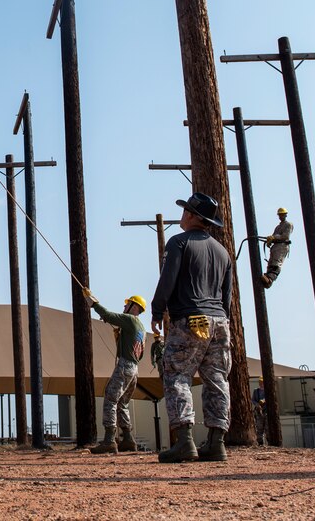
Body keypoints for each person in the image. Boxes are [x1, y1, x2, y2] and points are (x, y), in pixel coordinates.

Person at [151, 193, 233, 464]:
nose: (183, 214)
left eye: (187, 210)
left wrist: (156, 308)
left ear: (195, 217)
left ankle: (185, 442)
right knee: (217, 379)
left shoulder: (179, 243)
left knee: (177, 375)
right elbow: (227, 295)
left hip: (190, 318)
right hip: (220, 321)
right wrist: (223, 322)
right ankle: (216, 443)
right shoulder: (223, 252)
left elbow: (168, 279)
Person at [81, 291, 146, 454]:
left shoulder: (130, 319)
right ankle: (128, 439)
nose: (124, 306)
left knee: (110, 398)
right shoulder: (141, 327)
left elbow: (107, 315)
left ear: (134, 306)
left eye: (127, 304)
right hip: (134, 368)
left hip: (125, 365)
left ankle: (110, 439)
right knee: (122, 403)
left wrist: (93, 302)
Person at [261, 208, 293, 289]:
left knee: (276, 264)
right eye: (279, 215)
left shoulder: (288, 225)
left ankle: (270, 279)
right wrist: (270, 241)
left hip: (282, 246)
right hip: (275, 247)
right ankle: (267, 278)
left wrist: (273, 237)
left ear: (285, 215)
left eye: (282, 214)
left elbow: (285, 236)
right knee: (271, 263)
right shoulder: (278, 227)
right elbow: (274, 236)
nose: (281, 216)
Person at [252, 377, 267, 446]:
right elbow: (253, 400)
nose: (261, 384)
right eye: (260, 382)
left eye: (262, 382)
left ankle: (269, 442)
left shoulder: (268, 390)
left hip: (266, 411)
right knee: (259, 428)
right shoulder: (256, 391)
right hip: (259, 412)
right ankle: (260, 443)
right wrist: (257, 405)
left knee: (267, 428)